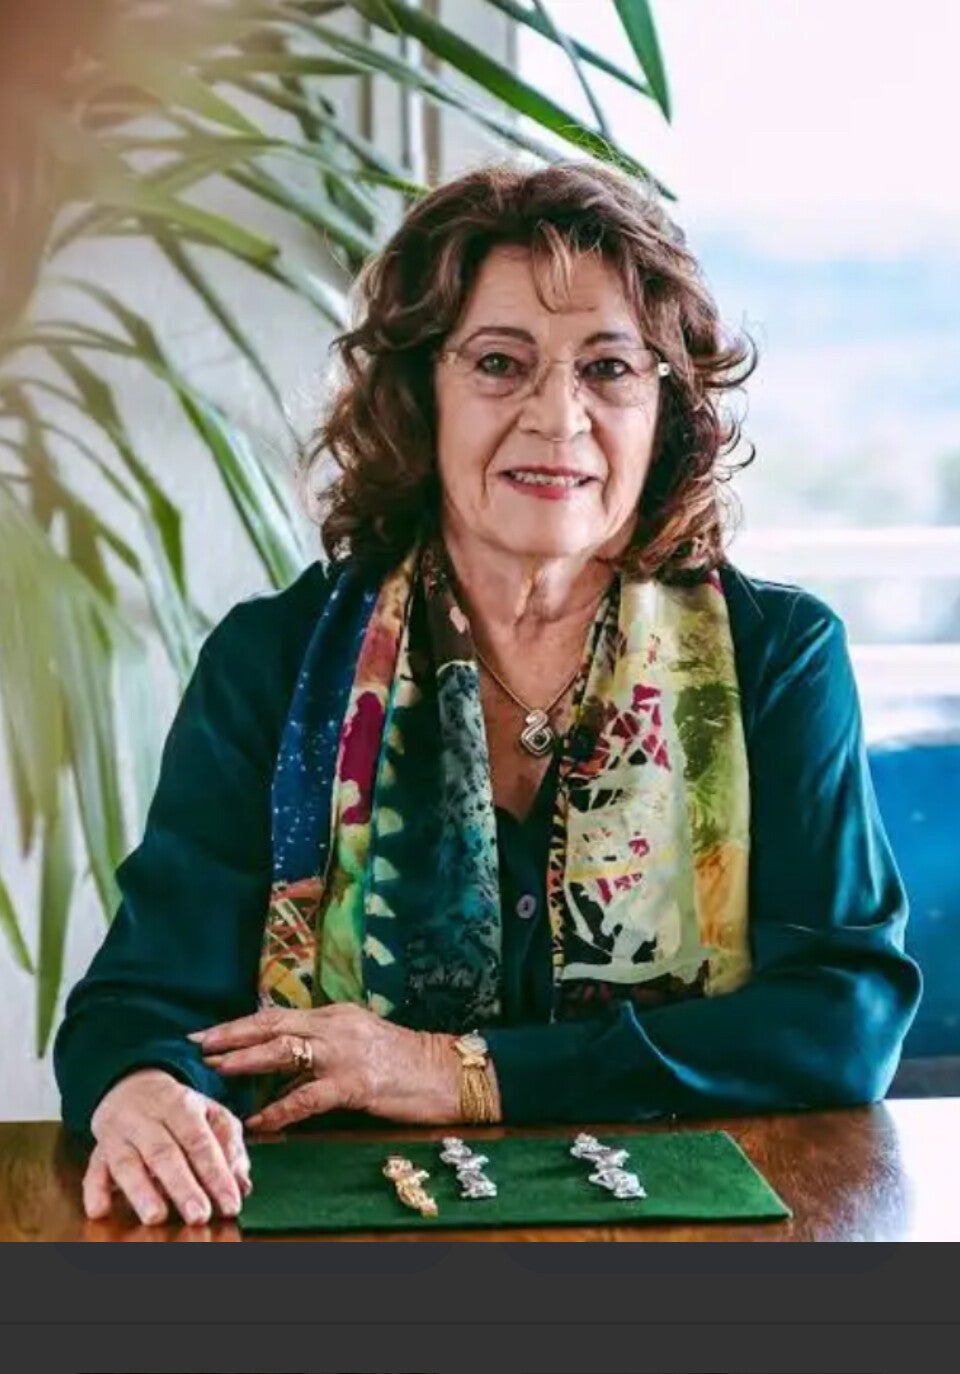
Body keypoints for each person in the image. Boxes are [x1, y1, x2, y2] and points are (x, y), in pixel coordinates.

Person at [54, 160, 921, 1228]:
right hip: (349, 1253)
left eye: (609, 368)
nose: (558, 417)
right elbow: (139, 1002)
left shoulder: (777, 657)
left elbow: (842, 1019)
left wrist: (459, 1073)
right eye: (501, 364)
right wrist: (140, 1087)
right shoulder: (272, 662)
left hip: (692, 1246)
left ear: (666, 407)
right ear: (421, 395)